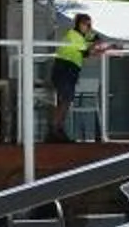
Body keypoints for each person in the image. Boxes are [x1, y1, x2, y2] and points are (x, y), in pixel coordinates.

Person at [48, 11, 114, 142]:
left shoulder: (82, 36)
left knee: (65, 101)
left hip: (70, 71)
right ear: (78, 24)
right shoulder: (74, 35)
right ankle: (54, 129)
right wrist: (103, 48)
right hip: (64, 70)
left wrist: (100, 42)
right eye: (85, 24)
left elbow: (95, 39)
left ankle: (57, 129)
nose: (87, 27)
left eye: (89, 25)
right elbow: (87, 53)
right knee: (65, 101)